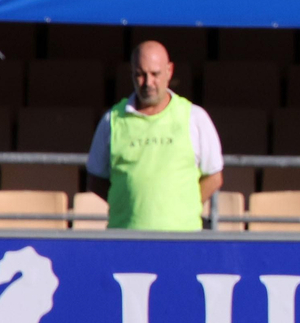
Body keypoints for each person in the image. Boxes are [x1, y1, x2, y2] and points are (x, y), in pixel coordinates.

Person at [86, 41, 223, 230]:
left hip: (182, 239)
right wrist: (128, 202)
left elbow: (214, 177)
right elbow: (95, 179)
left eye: (155, 74)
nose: (148, 83)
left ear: (169, 71)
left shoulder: (195, 117)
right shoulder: (112, 120)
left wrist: (183, 207)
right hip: (125, 238)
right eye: (140, 74)